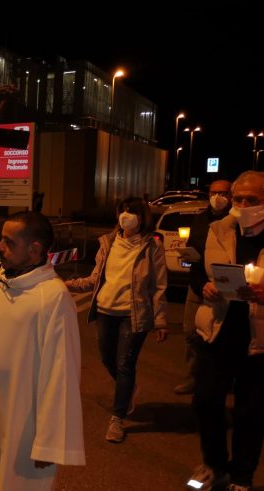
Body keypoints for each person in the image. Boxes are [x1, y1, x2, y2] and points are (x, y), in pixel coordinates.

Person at [0, 211, 85, 490]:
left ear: (34, 249)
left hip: (25, 422)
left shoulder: (53, 297)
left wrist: (49, 442)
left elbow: (62, 374)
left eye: (8, 242)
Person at [66, 197, 168, 443]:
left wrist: (161, 320)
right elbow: (95, 279)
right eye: (122, 211)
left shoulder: (152, 246)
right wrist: (67, 284)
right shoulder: (108, 242)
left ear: (142, 217)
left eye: (131, 212)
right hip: (105, 310)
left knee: (124, 364)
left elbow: (159, 285)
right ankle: (128, 388)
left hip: (134, 313)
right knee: (106, 358)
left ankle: (117, 418)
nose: (125, 216)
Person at [188, 171, 264, 491]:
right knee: (206, 402)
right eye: (239, 198)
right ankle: (214, 465)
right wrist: (204, 286)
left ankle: (241, 476)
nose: (243, 205)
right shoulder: (218, 229)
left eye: (252, 199)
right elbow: (197, 271)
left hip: (258, 342)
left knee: (251, 412)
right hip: (217, 331)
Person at [174, 179, 232, 395]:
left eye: (223, 193)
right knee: (190, 332)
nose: (217, 197)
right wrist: (188, 256)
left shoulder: (235, 222)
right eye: (213, 192)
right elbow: (194, 250)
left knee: (221, 335)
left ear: (231, 196)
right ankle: (194, 376)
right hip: (199, 285)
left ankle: (222, 379)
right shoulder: (200, 219)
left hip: (225, 288)